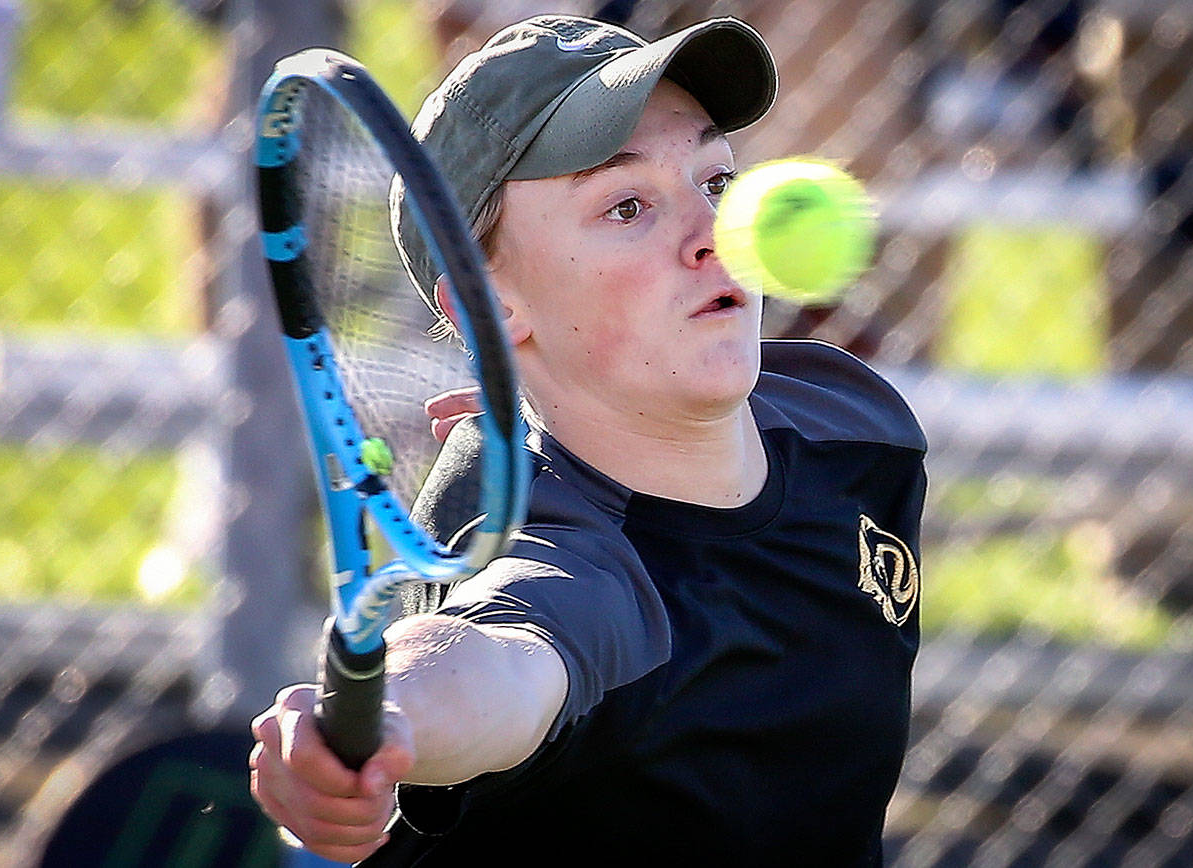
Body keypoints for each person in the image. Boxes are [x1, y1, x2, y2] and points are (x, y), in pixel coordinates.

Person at [249, 14, 926, 867]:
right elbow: (497, 656)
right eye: (628, 206)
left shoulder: (856, 428)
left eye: (716, 181)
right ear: (491, 309)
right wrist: (389, 718)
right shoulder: (571, 566)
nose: (716, 236)